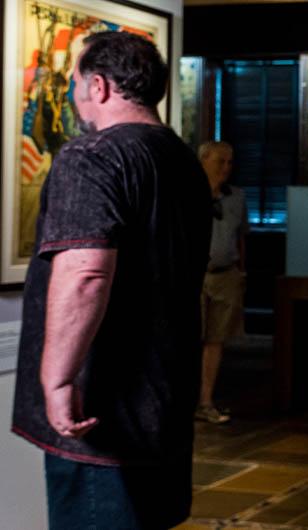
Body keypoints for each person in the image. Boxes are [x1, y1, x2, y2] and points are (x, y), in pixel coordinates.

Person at [10, 32, 210, 529]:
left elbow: (86, 272)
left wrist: (57, 378)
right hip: (164, 401)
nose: (75, 96)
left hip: (104, 409)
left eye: (75, 83)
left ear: (98, 86)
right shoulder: (184, 161)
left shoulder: (93, 155)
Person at [196, 140, 247, 425]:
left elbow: (241, 236)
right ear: (203, 160)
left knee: (216, 340)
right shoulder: (186, 194)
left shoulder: (236, 197)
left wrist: (241, 272)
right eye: (220, 162)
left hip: (226, 273)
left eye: (230, 162)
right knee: (191, 337)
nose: (226, 168)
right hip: (195, 275)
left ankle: (206, 401)